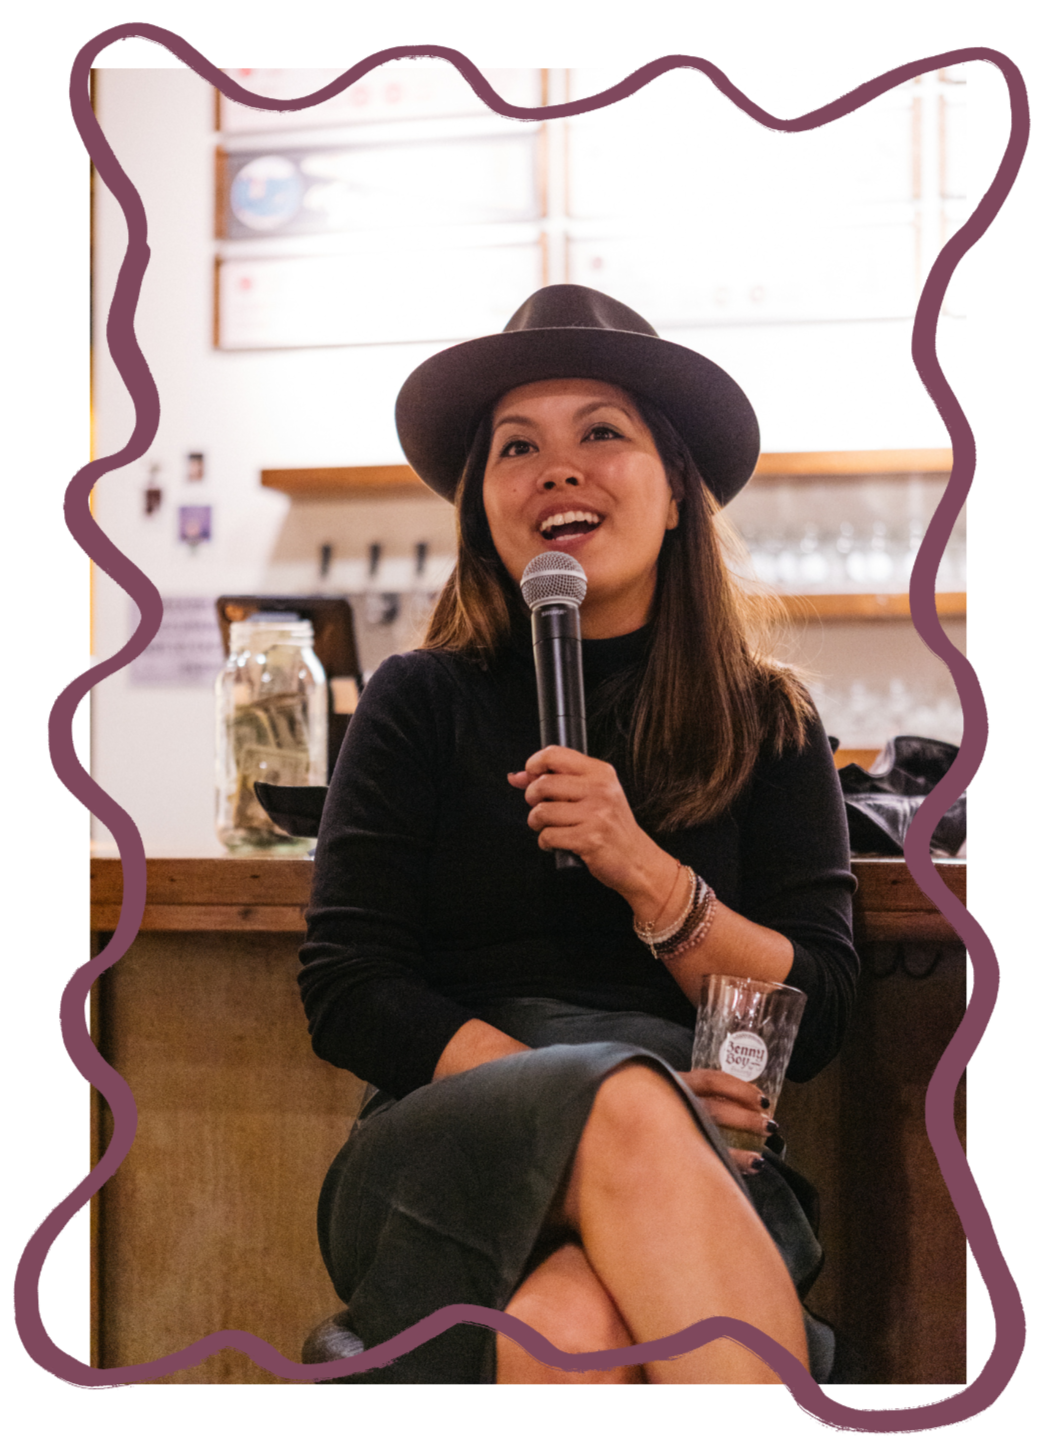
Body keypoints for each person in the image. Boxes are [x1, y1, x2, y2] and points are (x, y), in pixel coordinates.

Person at [298, 284, 859, 1385]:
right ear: (483, 507)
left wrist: (646, 872)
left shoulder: (769, 718)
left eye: (602, 432)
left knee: (570, 1332)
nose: (558, 470)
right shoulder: (420, 700)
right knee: (625, 1111)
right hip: (449, 1136)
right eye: (518, 447)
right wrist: (605, 1093)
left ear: (677, 489)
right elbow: (349, 986)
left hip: (707, 1152)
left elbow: (823, 1006)